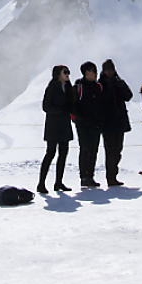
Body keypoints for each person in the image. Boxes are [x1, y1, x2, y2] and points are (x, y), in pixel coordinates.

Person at [38, 65, 74, 194]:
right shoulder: (52, 88)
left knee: (63, 153)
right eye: (65, 72)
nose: (68, 74)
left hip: (64, 124)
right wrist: (59, 111)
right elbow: (46, 106)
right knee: (51, 153)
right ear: (58, 74)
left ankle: (58, 182)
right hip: (53, 125)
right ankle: (41, 183)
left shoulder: (68, 87)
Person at [98, 59, 133, 186]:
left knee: (118, 150)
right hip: (107, 122)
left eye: (111, 70)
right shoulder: (100, 84)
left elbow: (128, 96)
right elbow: (102, 100)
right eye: (108, 70)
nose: (110, 72)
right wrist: (110, 86)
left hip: (119, 121)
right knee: (110, 150)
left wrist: (121, 85)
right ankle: (111, 177)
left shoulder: (119, 82)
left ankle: (114, 175)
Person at [72, 63, 105, 188]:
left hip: (96, 124)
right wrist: (81, 119)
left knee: (94, 150)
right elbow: (73, 106)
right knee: (85, 149)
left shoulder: (98, 87)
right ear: (87, 72)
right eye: (93, 71)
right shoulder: (79, 87)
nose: (96, 74)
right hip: (83, 124)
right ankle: (84, 177)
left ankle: (90, 176)